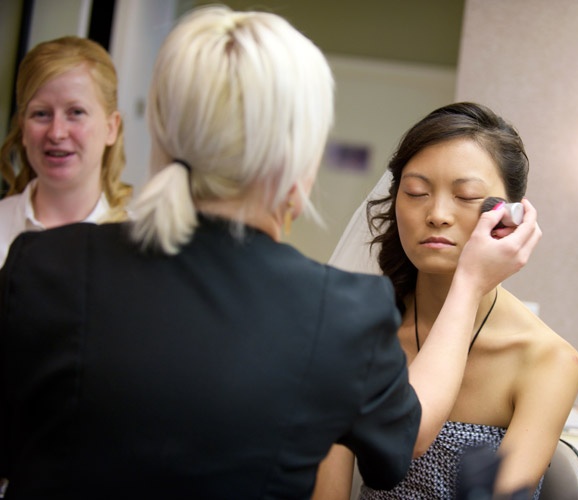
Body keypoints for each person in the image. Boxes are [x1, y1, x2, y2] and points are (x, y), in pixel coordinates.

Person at [0, 8, 542, 498]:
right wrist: (470, 284)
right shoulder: (337, 311)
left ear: (161, 130)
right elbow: (407, 437)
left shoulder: (42, 262)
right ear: (298, 157)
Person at [316, 102, 578, 499]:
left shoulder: (547, 360)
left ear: (512, 214)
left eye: (466, 195)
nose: (437, 214)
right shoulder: (358, 333)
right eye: (416, 193)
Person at [0, 36, 132, 267]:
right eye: (41, 114)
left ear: (111, 128)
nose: (56, 133)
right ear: (23, 129)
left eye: (76, 112)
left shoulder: (139, 243)